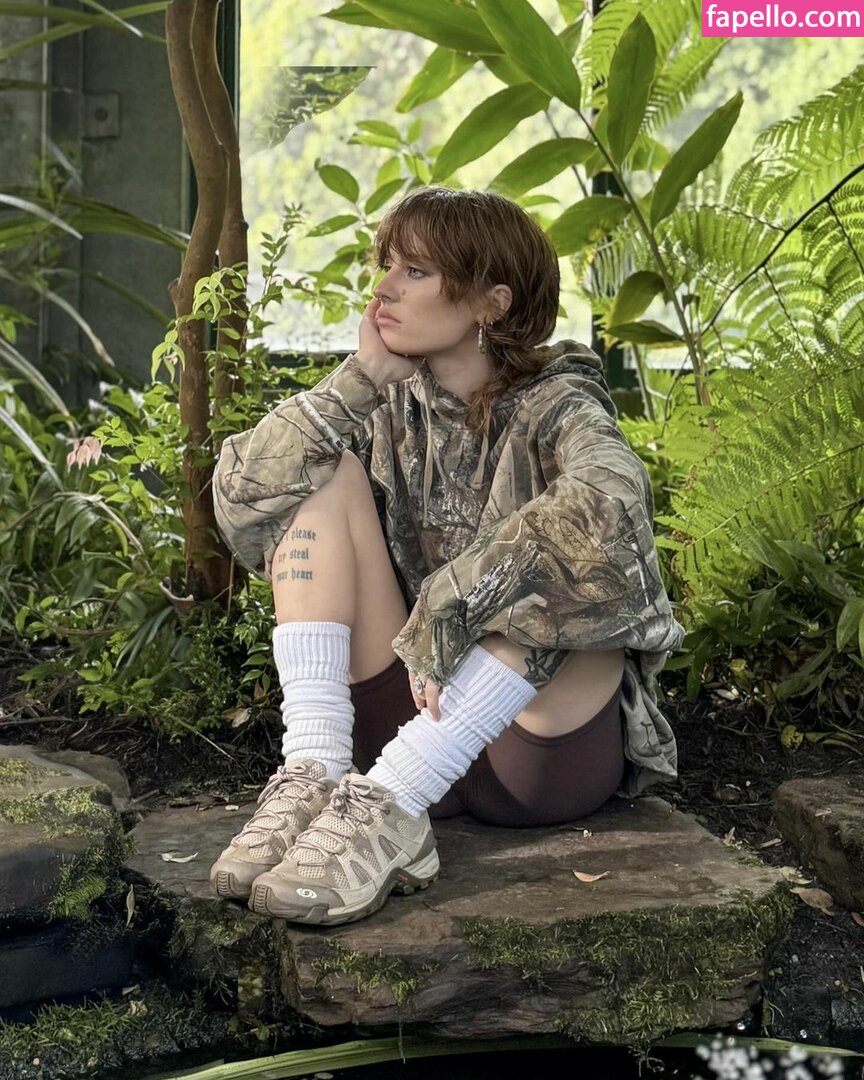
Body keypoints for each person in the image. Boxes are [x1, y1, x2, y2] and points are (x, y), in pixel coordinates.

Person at [208, 186, 684, 927]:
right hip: (406, 720)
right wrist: (360, 380)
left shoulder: (560, 404)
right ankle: (317, 772)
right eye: (387, 266)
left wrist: (454, 597)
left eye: (416, 271)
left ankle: (394, 804)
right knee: (319, 472)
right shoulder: (391, 400)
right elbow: (241, 495)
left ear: (492, 302)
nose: (383, 289)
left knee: (571, 539)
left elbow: (613, 501)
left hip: (536, 755)